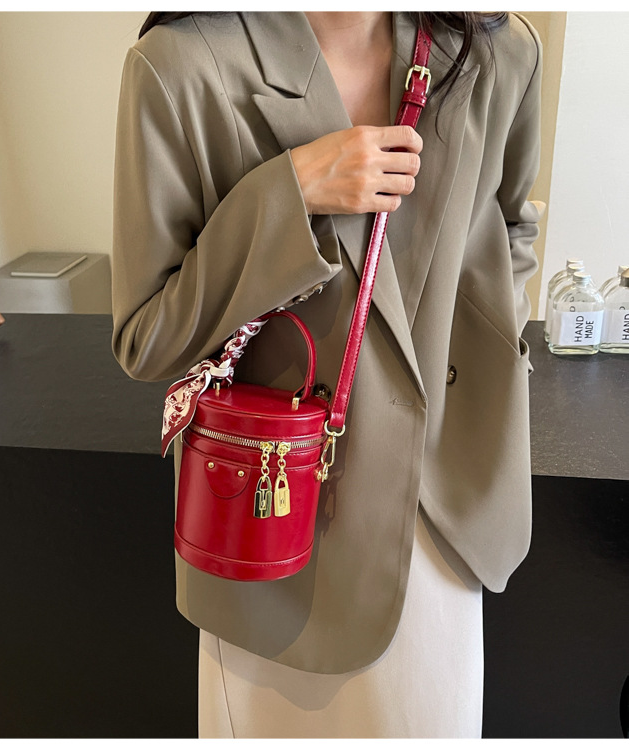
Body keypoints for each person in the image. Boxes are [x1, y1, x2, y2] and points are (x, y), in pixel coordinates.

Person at [111, 11, 542, 739]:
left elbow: (510, 227)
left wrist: (485, 346)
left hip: (445, 507)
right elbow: (146, 337)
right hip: (275, 526)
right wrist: (289, 195)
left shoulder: (497, 49)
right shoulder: (180, 66)